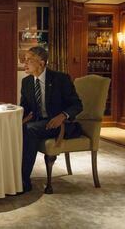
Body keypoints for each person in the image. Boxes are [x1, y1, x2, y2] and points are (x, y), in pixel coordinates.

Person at [20, 46, 83, 193]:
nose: (25, 63)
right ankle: (10, 177)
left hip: (62, 124)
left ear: (41, 63)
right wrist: (14, 117)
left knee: (30, 130)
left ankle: (23, 181)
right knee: (17, 129)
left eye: (29, 60)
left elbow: (77, 105)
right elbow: (24, 108)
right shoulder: (27, 82)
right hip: (40, 123)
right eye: (25, 60)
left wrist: (62, 116)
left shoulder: (61, 79)